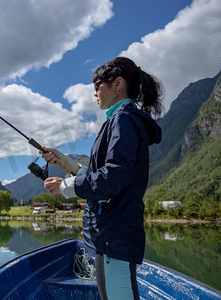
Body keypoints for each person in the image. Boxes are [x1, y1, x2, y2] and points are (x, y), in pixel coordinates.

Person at [41, 57, 163, 300]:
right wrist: (64, 162)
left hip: (113, 234)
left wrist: (67, 186)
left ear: (117, 84)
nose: (94, 92)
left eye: (97, 85)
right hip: (113, 234)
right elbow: (107, 174)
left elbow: (113, 178)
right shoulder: (122, 120)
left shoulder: (123, 120)